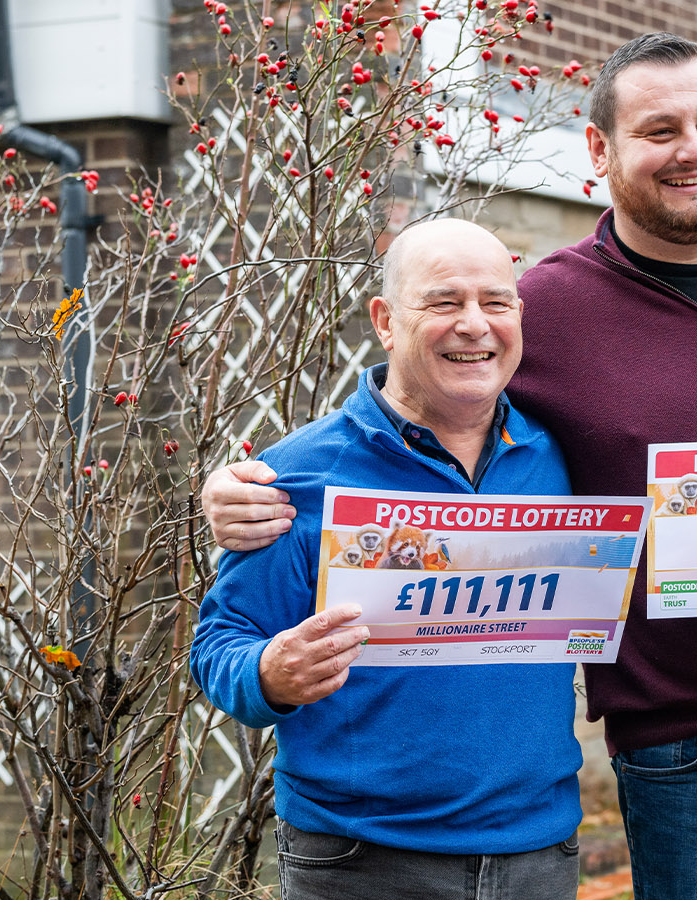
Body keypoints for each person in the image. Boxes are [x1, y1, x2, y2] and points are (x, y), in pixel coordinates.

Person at [203, 33, 697, 900]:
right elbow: (420, 415)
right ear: (599, 150)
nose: (693, 150)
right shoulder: (539, 311)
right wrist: (246, 485)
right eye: (659, 130)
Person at [190, 219, 582, 900]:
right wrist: (270, 673)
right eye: (442, 302)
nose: (474, 325)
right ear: (385, 321)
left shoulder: (566, 457)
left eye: (495, 302)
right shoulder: (297, 478)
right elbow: (219, 648)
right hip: (361, 861)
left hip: (539, 852)